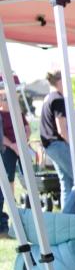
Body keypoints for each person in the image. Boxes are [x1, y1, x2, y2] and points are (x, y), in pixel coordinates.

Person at [39, 70, 75, 214]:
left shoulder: (49, 97)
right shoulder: (58, 99)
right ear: (61, 81)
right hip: (58, 144)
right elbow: (63, 131)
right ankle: (66, 217)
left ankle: (65, 219)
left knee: (66, 183)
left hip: (50, 146)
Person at [0, 90, 32, 236]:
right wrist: (13, 146)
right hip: (7, 150)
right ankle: (11, 215)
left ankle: (30, 210)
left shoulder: (17, 113)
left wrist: (23, 141)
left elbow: (27, 128)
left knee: (30, 179)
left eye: (7, 97)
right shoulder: (1, 115)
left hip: (21, 148)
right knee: (8, 181)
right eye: (3, 98)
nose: (5, 100)